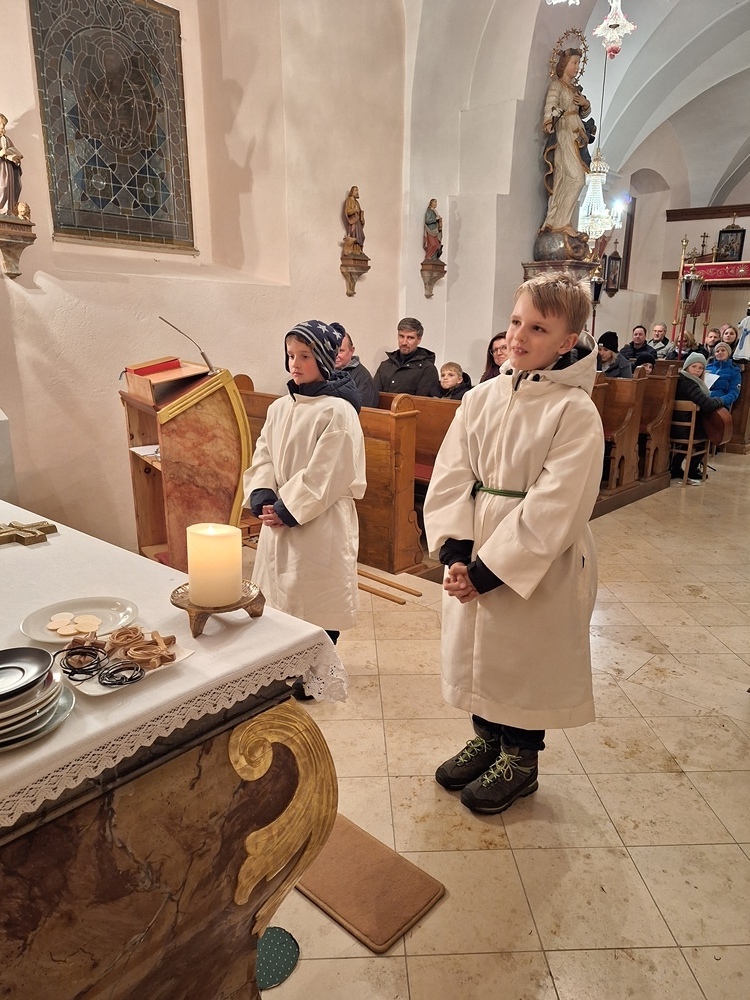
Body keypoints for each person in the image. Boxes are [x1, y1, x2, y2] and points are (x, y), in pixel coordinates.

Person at [423, 272, 604, 815]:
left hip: (538, 560)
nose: (518, 336)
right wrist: (457, 552)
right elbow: (452, 474)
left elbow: (557, 505)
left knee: (524, 658)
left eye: (538, 328)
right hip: (476, 540)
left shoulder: (574, 411)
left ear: (567, 341)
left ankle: (521, 760)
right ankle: (487, 739)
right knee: (479, 653)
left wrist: (488, 572)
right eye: (515, 321)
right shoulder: (480, 398)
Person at [243, 320, 366, 662]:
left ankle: (317, 668)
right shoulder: (280, 407)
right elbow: (264, 454)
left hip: (320, 520)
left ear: (323, 359)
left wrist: (286, 509)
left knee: (317, 601)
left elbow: (328, 472)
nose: (294, 364)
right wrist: (264, 495)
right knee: (281, 598)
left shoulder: (338, 411)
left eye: (304, 356)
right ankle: (287, 664)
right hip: (281, 518)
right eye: (290, 355)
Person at [540, 49, 595, 237]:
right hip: (564, 132)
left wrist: (585, 104)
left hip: (577, 133)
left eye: (579, 63)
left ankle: (563, 221)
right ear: (564, 64)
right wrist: (548, 121)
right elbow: (551, 105)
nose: (577, 67)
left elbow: (583, 113)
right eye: (574, 63)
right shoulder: (557, 85)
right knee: (573, 178)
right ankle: (559, 222)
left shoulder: (575, 89)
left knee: (576, 179)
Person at [670, 352, 725, 484]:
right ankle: (692, 470)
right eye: (694, 366)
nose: (697, 370)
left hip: (678, 425)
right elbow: (707, 404)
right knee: (708, 434)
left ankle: (675, 467)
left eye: (700, 368)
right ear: (687, 366)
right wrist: (721, 400)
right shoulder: (688, 383)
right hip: (685, 427)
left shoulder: (681, 379)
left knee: (702, 431)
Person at [372, 317, 441, 396]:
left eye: (410, 338)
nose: (404, 342)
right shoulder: (385, 366)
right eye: (401, 336)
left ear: (419, 339)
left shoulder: (427, 369)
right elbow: (373, 396)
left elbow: (422, 402)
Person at [332, 323, 379, 408]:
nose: (336, 355)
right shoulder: (322, 373)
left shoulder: (363, 378)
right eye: (332, 350)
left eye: (341, 351)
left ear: (351, 351)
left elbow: (364, 411)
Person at [0, 114, 23, 217]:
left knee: (12, 188)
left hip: (8, 168)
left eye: (4, 125)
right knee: (3, 187)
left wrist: (16, 160)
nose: (2, 127)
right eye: (0, 124)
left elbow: (14, 151)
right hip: (1, 169)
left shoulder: (6, 140)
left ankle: (8, 210)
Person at [706, 342, 741, 409]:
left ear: (728, 353)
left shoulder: (734, 371)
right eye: (717, 351)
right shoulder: (708, 368)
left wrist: (720, 401)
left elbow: (733, 392)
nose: (720, 352)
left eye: (723, 350)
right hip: (704, 401)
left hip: (721, 404)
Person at [343, 186, 365, 255]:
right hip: (353, 221)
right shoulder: (348, 200)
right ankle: (354, 249)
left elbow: (359, 212)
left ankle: (358, 249)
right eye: (355, 190)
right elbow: (347, 212)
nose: (357, 192)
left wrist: (362, 218)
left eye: (357, 190)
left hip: (357, 221)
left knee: (361, 236)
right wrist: (354, 210)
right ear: (352, 192)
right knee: (354, 236)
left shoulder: (357, 202)